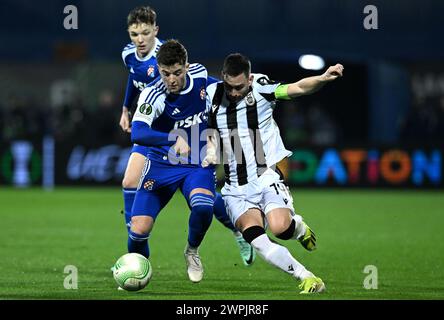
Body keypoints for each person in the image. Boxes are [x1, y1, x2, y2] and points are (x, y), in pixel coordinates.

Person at [119, 6, 255, 266]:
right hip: (157, 135)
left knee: (203, 200)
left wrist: (244, 90)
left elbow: (211, 86)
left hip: (189, 145)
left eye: (145, 33)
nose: (140, 39)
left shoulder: (170, 58)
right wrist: (126, 107)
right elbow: (133, 80)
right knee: (129, 183)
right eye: (134, 33)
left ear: (155, 32)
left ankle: (233, 229)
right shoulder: (130, 57)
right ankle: (134, 243)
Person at [203, 53, 344, 293]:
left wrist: (322, 78)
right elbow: (209, 130)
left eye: (238, 87)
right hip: (235, 189)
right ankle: (307, 277)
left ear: (249, 79)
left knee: (281, 228)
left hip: (265, 176)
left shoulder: (262, 88)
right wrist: (210, 150)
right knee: (258, 241)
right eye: (229, 86)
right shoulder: (212, 95)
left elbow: (298, 88)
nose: (233, 92)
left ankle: (298, 228)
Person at [129, 39, 231, 282]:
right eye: (165, 73)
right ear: (159, 68)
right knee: (139, 230)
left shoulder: (200, 74)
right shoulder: (152, 94)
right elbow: (138, 133)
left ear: (186, 66)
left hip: (196, 161)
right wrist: (172, 138)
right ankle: (135, 271)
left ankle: (192, 250)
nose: (171, 79)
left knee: (204, 206)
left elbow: (217, 88)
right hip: (161, 164)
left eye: (176, 72)